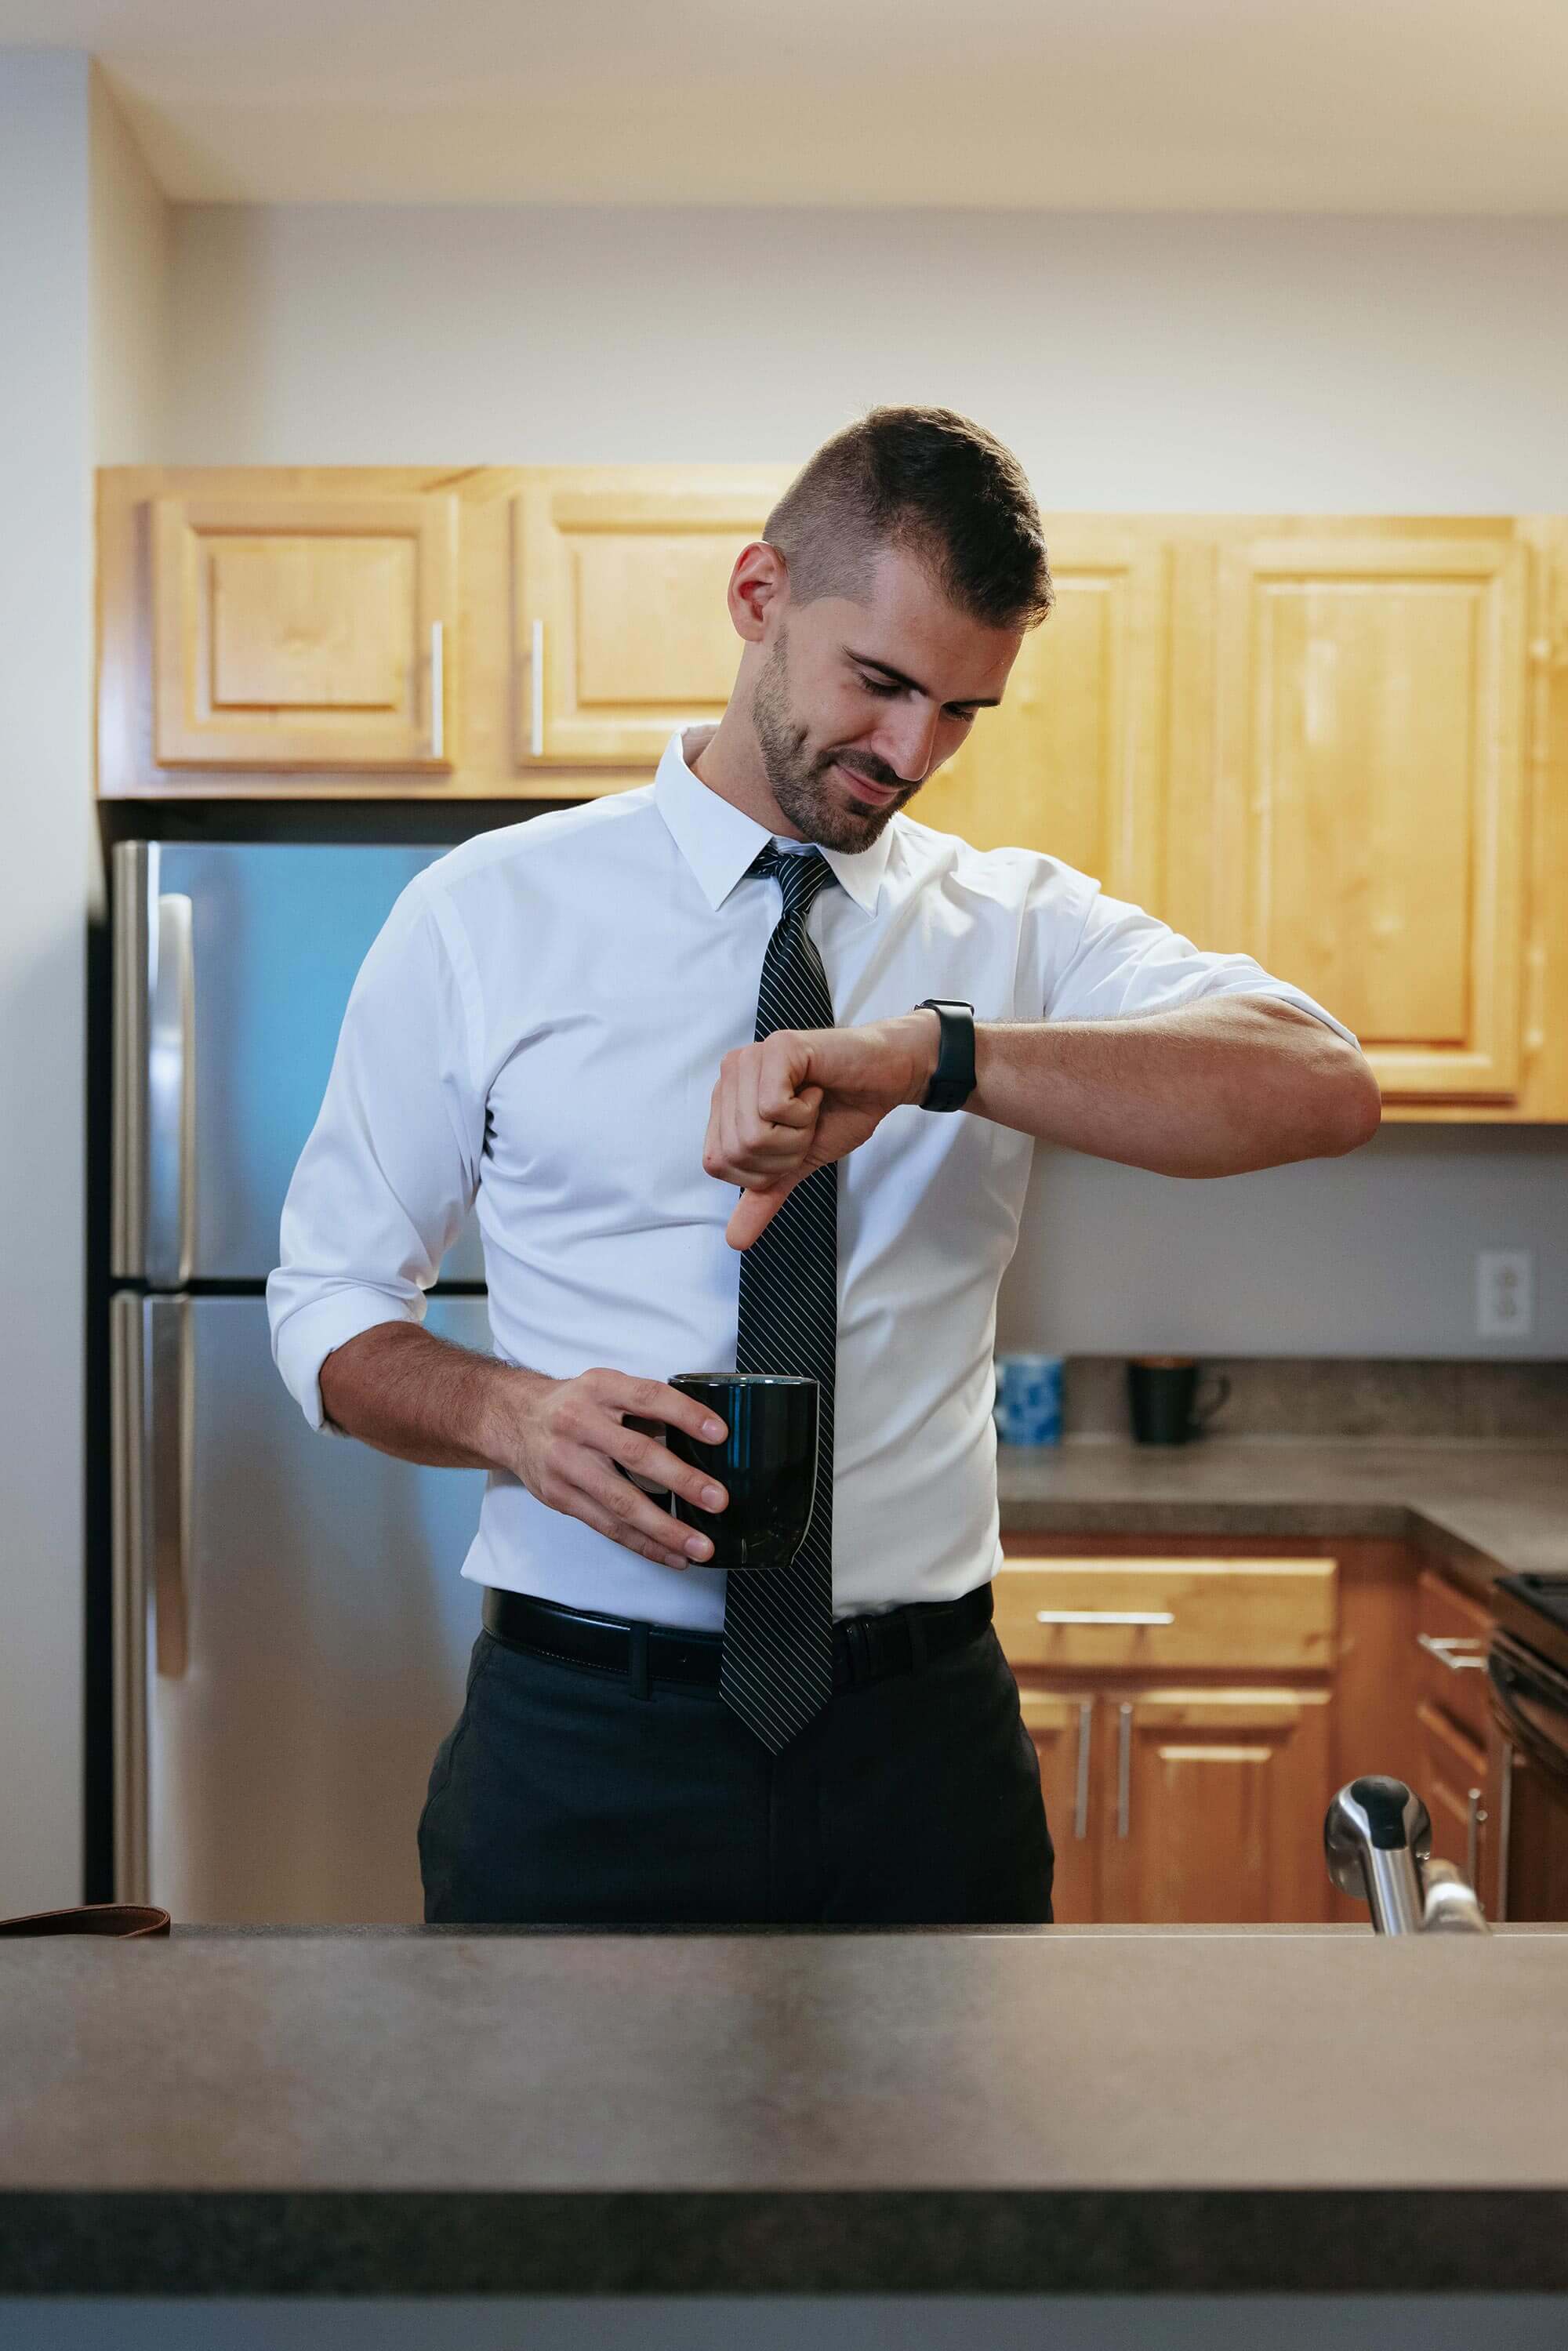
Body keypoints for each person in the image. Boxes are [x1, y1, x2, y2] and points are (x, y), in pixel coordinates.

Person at [266, 404, 1381, 1928]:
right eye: (880, 683)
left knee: (943, 2178)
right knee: (549, 2171)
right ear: (758, 600)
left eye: (964, 712)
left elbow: (1320, 1085)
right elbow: (325, 1301)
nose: (912, 753)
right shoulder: (484, 914)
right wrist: (505, 1416)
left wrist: (937, 1057)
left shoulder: (1013, 931)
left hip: (921, 1748)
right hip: (584, 1737)